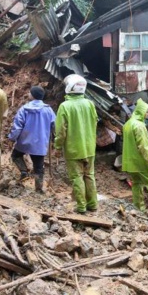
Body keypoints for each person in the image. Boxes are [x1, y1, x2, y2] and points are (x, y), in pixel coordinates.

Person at [54, 75, 98, 213]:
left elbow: (61, 131)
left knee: (77, 177)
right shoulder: (90, 104)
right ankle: (93, 204)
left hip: (73, 149)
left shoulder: (65, 106)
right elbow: (95, 122)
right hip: (90, 147)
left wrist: (57, 146)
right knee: (89, 175)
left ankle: (81, 206)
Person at [8, 86, 55, 193]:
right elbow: (54, 125)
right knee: (39, 166)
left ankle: (24, 171)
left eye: (30, 93)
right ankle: (39, 189)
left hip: (24, 141)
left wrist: (12, 138)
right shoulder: (48, 110)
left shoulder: (24, 109)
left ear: (32, 95)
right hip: (40, 143)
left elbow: (17, 127)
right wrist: (54, 139)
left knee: (15, 155)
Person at [122, 98, 148, 213]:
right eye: (147, 111)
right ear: (141, 111)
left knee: (136, 184)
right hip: (140, 162)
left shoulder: (127, 124)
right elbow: (144, 147)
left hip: (130, 163)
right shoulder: (139, 126)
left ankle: (139, 209)